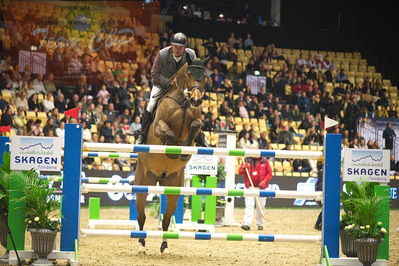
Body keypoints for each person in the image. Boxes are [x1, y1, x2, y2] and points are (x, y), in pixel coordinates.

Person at [135, 32, 209, 147]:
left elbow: (194, 72)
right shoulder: (163, 54)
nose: (177, 49)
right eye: (175, 46)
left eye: (180, 47)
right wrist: (169, 82)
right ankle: (142, 134)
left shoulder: (191, 54)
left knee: (196, 104)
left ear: (185, 48)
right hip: (161, 84)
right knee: (151, 104)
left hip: (182, 86)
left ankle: (199, 135)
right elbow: (154, 73)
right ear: (171, 45)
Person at [238, 145, 273, 231]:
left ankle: (260, 224)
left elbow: (269, 173)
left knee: (261, 206)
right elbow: (240, 172)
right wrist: (243, 168)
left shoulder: (265, 161)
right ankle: (247, 223)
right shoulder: (246, 160)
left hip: (261, 188)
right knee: (249, 205)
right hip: (249, 187)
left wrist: (264, 182)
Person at [314, 161, 323, 230]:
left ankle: (318, 224)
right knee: (324, 209)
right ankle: (318, 224)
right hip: (321, 191)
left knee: (324, 209)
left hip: (319, 191)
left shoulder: (320, 172)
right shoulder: (322, 172)